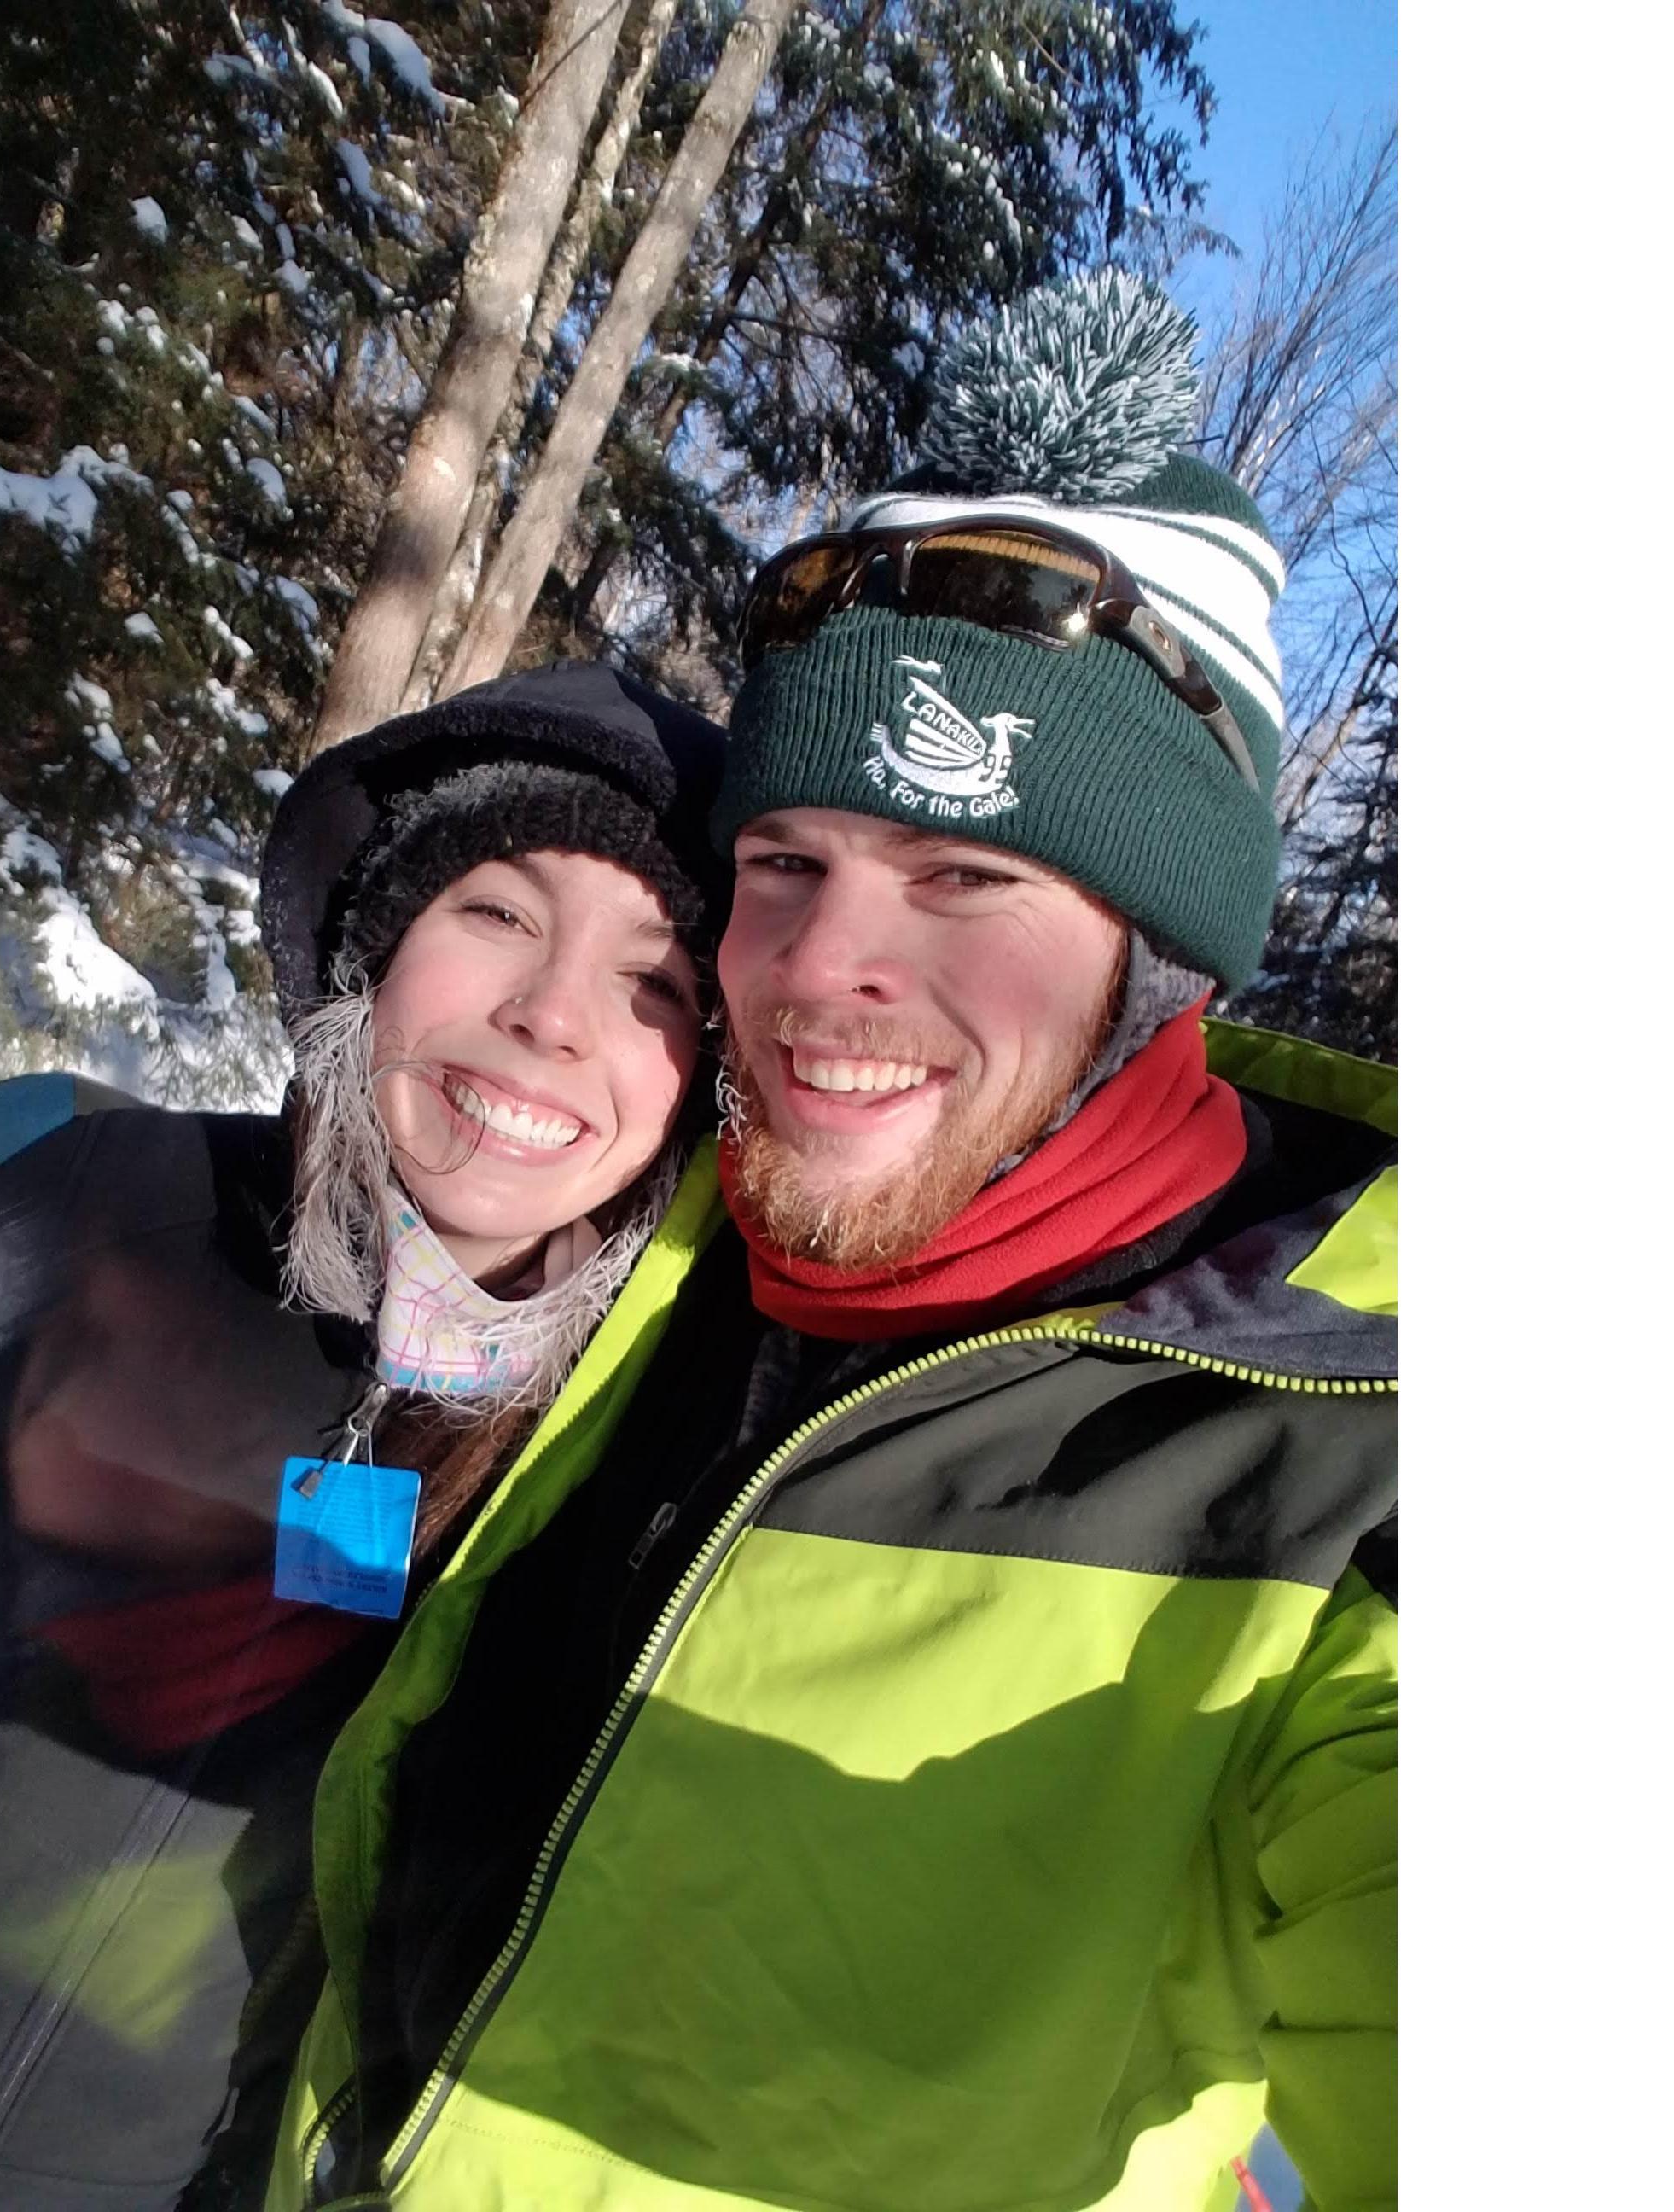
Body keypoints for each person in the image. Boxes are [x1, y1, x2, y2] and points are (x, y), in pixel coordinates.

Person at [264, 274, 1396, 2212]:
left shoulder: (1353, 1467)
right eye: (784, 864)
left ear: (1164, 960)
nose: (819, 966)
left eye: (967, 876)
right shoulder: (663, 1227)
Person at [0, 661, 729, 2210]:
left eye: (654, 985)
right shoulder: (112, 1200)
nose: (549, 1014)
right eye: (497, 913)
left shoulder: (645, 1460)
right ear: (378, 941)